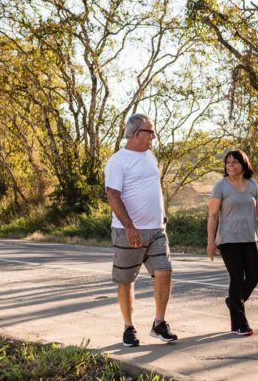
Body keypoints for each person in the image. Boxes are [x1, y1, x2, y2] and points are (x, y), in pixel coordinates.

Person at [104, 114, 178, 346]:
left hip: (156, 229)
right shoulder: (118, 161)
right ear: (137, 134)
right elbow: (112, 195)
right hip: (129, 231)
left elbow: (152, 186)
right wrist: (129, 226)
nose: (153, 136)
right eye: (150, 132)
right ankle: (128, 327)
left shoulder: (150, 156)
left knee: (164, 272)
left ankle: (159, 323)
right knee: (126, 279)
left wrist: (161, 214)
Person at [207, 149, 258, 336]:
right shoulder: (221, 186)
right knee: (237, 278)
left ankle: (233, 302)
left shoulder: (252, 186)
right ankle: (239, 325)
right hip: (228, 240)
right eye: (228, 162)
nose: (230, 165)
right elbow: (213, 215)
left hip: (249, 238)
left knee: (255, 275)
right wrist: (210, 242)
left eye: (235, 162)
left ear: (244, 164)